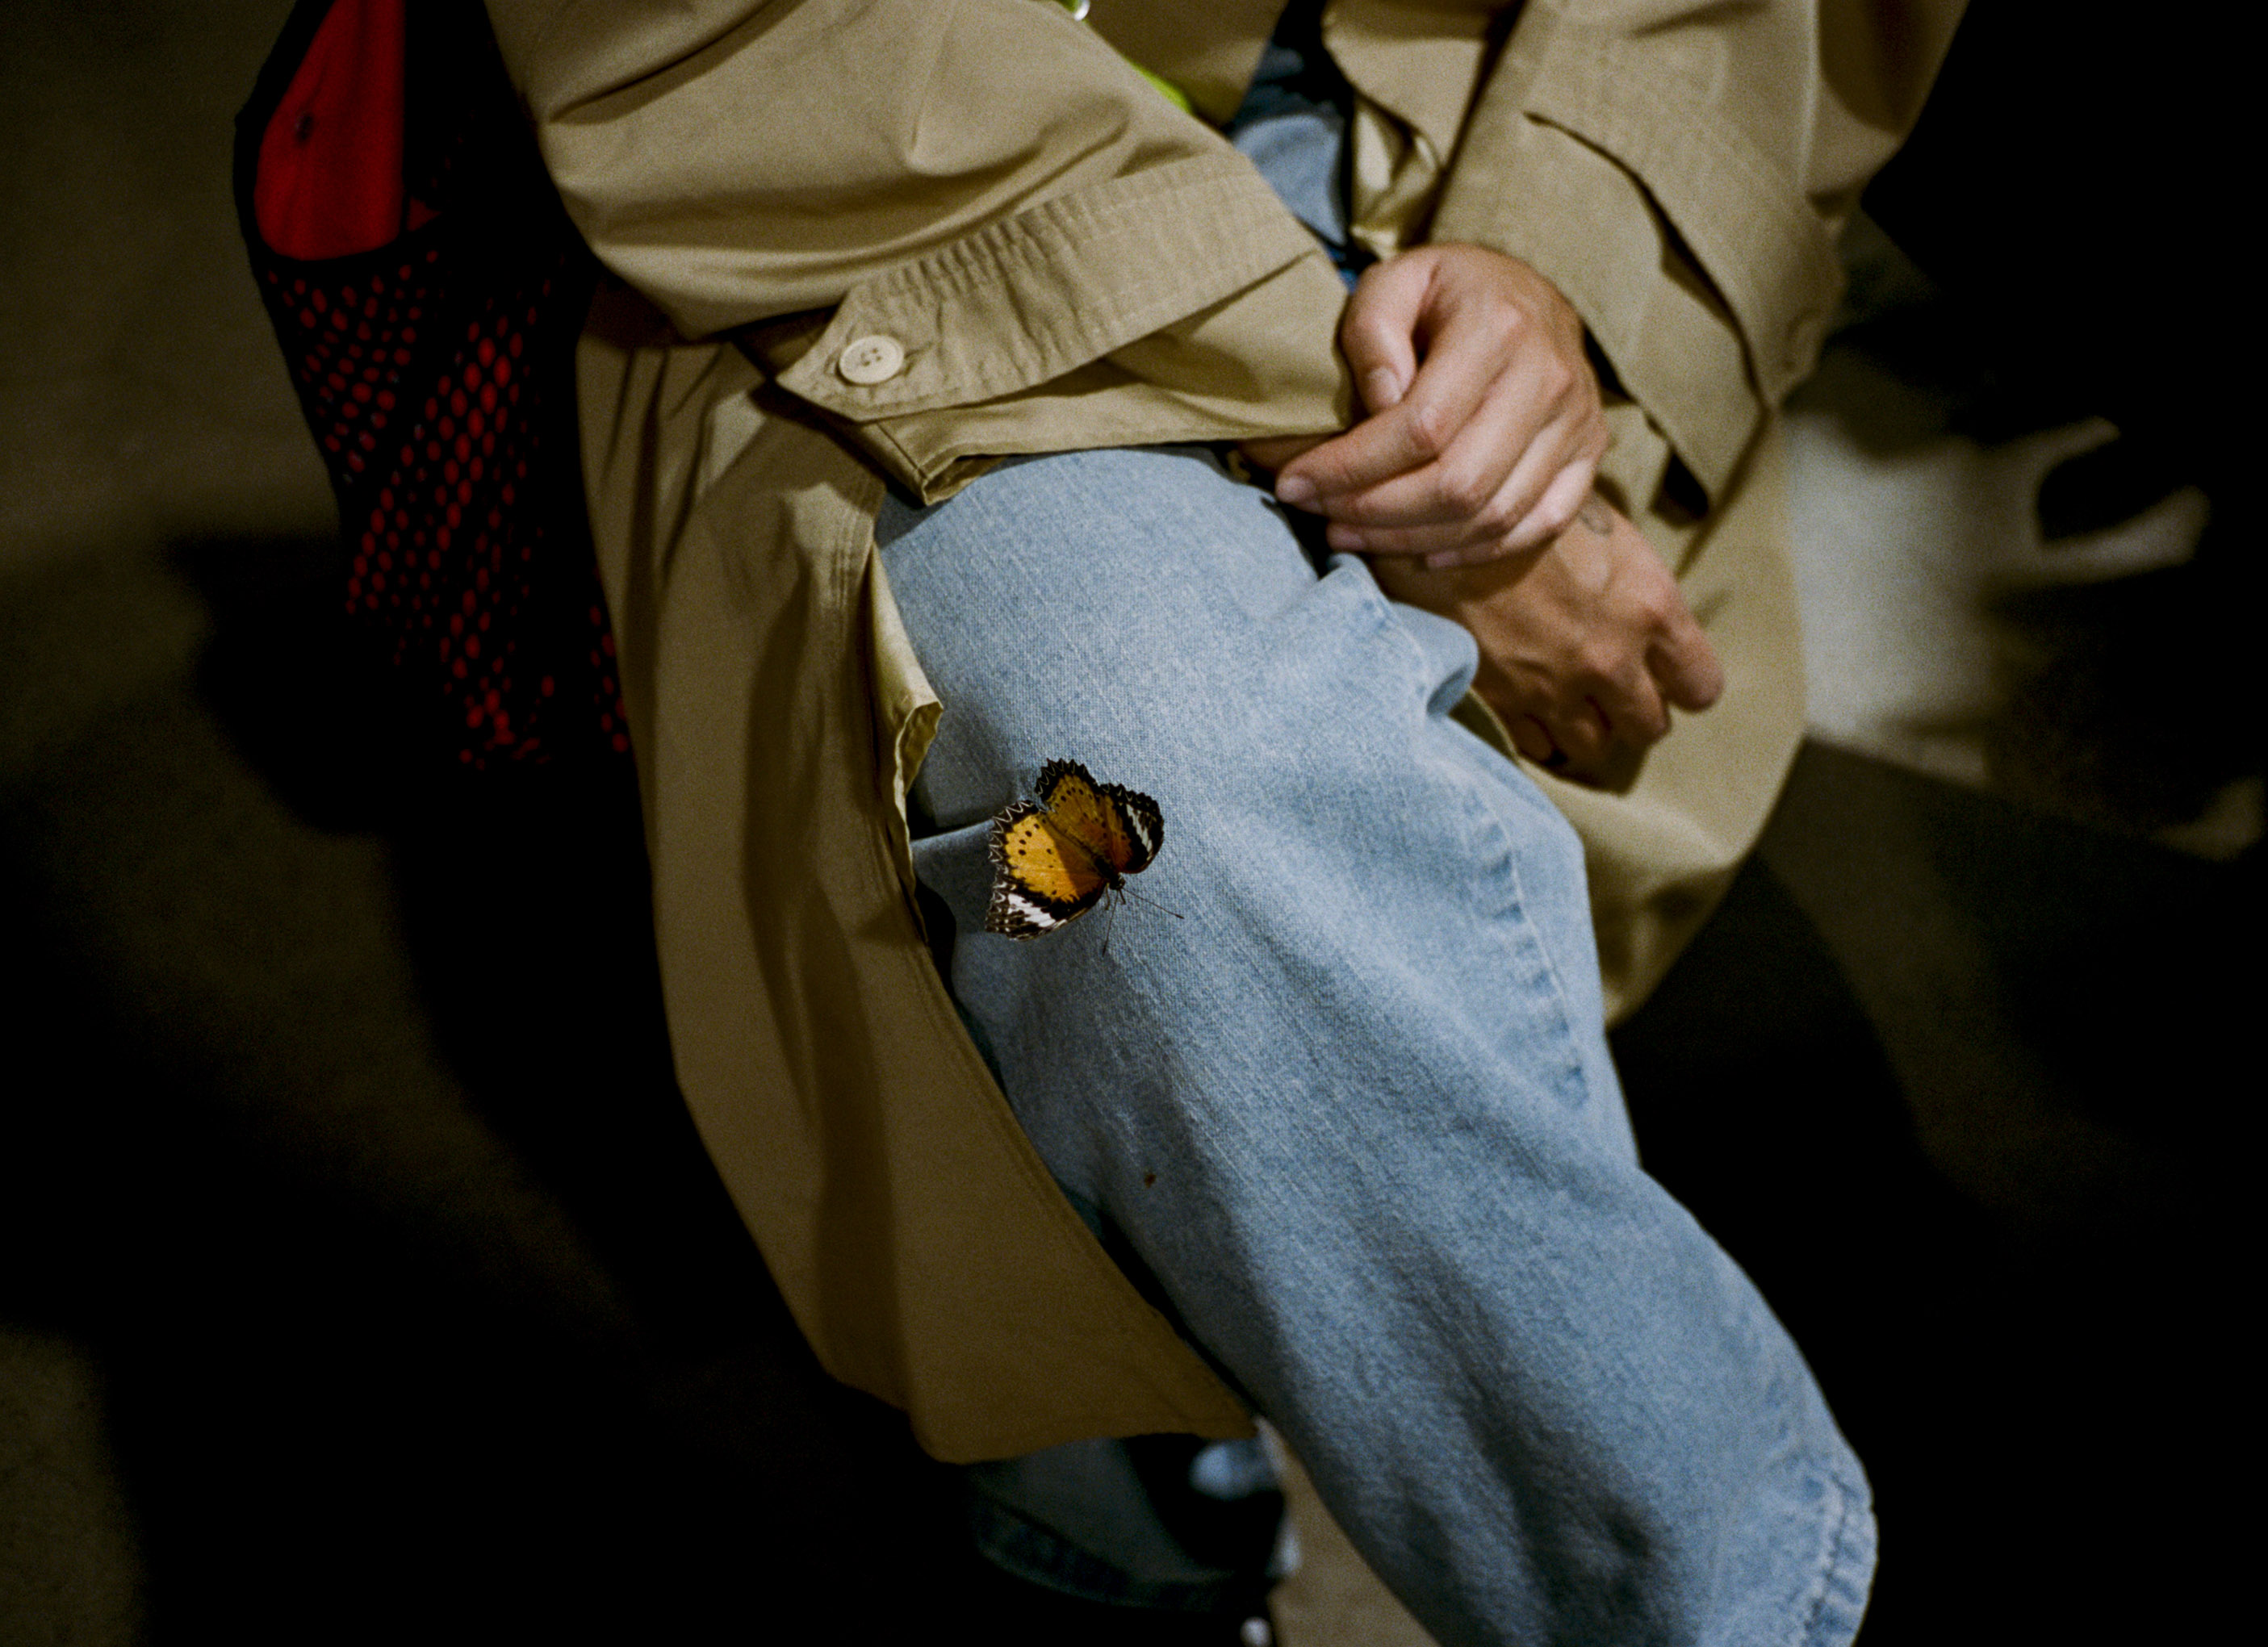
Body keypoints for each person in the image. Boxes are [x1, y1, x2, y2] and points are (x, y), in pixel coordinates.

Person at [481, 0, 1963, 1638]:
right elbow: (749, 52)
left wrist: (1559, 260)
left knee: (1251, 876)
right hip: (901, 211)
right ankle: (1704, 1605)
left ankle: (1124, 1529)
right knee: (1136, 818)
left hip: (1474, 132)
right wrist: (1407, 465)